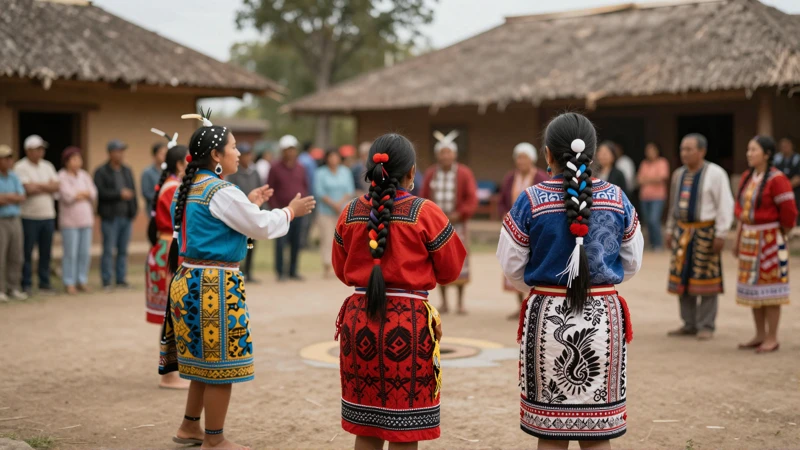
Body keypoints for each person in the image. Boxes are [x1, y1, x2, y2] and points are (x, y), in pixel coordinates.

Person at [160, 112, 315, 450]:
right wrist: (290, 211)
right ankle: (215, 441)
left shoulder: (193, 187)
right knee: (220, 367)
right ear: (216, 156)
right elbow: (259, 227)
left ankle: (190, 427)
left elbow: (225, 221)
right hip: (212, 286)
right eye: (232, 147)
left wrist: (251, 203)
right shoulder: (220, 190)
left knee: (203, 363)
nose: (238, 154)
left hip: (190, 281)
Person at [497, 112, 643, 448]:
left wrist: (542, 289)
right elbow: (633, 260)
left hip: (548, 318)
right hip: (603, 320)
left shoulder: (530, 200)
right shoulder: (617, 197)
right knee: (597, 433)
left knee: (551, 432)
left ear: (547, 153)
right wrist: (601, 283)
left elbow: (511, 265)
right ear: (592, 153)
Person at [332, 133, 466, 449]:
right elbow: (451, 270)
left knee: (367, 426)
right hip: (408, 327)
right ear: (411, 172)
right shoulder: (426, 213)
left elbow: (341, 270)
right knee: (404, 428)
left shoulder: (349, 212)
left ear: (369, 169)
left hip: (359, 323)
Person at [665, 133, 734, 341]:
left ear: (702, 151)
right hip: (682, 232)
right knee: (682, 278)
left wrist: (721, 233)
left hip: (706, 232)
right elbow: (673, 205)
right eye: (682, 149)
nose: (684, 153)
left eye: (689, 149)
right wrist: (670, 229)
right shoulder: (678, 175)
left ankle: (706, 324)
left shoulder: (716, 173)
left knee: (706, 279)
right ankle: (689, 323)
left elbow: (725, 204)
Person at [733, 136, 797, 354]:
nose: (749, 153)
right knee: (753, 289)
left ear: (767, 154)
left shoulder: (778, 179)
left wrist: (780, 234)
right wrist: (740, 237)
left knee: (770, 291)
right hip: (750, 239)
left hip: (769, 239)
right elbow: (741, 211)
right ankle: (760, 334)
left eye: (754, 150)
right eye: (748, 149)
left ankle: (772, 337)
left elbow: (789, 212)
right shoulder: (747, 177)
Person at [145, 129, 190, 389]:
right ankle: (169, 374)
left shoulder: (171, 186)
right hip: (168, 252)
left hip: (165, 250)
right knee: (171, 315)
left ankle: (173, 369)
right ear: (179, 164)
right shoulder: (174, 189)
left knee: (172, 314)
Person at [421, 131, 478, 314]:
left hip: (458, 224)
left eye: (449, 152)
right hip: (436, 226)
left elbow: (471, 198)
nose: (446, 156)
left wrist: (460, 214)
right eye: (442, 152)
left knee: (460, 260)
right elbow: (422, 197)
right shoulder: (431, 173)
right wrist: (431, 216)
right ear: (438, 155)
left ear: (454, 154)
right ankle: (444, 302)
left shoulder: (464, 173)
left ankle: (460, 302)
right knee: (439, 259)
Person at [499, 142, 549, 319]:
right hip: (515, 230)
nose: (521, 161)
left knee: (534, 264)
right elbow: (503, 200)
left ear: (532, 159)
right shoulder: (510, 178)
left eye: (524, 157)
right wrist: (504, 213)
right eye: (518, 157)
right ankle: (521, 306)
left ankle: (532, 305)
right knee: (517, 264)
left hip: (535, 229)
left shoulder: (541, 177)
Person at [14, 135, 60, 295]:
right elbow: (27, 189)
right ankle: (26, 283)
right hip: (29, 216)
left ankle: (44, 283)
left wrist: (38, 186)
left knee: (46, 252)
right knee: (27, 252)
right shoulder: (20, 167)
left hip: (48, 215)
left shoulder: (47, 166)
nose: (41, 152)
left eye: (42, 149)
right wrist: (46, 186)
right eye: (37, 149)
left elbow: (56, 186)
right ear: (28, 150)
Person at [94, 139, 137, 291]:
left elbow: (133, 191)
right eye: (117, 151)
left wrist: (134, 210)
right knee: (108, 249)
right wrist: (119, 194)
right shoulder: (101, 171)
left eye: (122, 151)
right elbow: (101, 193)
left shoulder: (127, 170)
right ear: (110, 153)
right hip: (110, 217)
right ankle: (106, 280)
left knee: (123, 250)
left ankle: (121, 279)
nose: (120, 154)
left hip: (126, 216)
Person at [267, 135, 309, 281]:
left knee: (297, 242)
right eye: (287, 149)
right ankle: (280, 272)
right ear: (282, 150)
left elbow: (305, 185)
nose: (290, 152)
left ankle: (293, 271)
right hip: (281, 212)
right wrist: (275, 209)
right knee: (280, 243)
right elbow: (270, 190)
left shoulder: (301, 168)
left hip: (298, 212)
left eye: (292, 149)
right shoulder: (275, 168)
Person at [58, 147, 97, 295]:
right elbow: (68, 196)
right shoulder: (61, 176)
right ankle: (69, 282)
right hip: (69, 222)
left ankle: (82, 280)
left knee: (84, 253)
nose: (77, 162)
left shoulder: (84, 175)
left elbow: (93, 193)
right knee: (70, 253)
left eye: (78, 158)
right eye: (73, 159)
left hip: (86, 220)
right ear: (67, 162)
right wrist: (82, 194)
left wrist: (80, 194)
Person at [314, 148, 355, 278]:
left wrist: (340, 203)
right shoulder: (320, 173)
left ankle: (342, 266)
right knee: (327, 239)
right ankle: (327, 266)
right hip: (326, 211)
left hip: (342, 212)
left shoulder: (345, 172)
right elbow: (319, 191)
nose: (333, 160)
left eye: (335, 157)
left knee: (343, 239)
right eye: (331, 157)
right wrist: (333, 204)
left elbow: (350, 189)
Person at [226, 142, 263, 283]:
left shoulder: (255, 172)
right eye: (244, 155)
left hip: (253, 213)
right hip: (240, 215)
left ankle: (249, 271)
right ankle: (239, 270)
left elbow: (260, 188)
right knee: (240, 243)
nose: (247, 158)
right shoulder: (234, 174)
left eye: (249, 154)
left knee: (251, 245)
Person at [0, 145, 27, 302]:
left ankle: (13, 287)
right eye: (6, 158)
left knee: (16, 254)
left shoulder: (14, 177)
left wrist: (6, 197)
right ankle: (1, 289)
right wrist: (12, 197)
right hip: (1, 220)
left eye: (11, 158)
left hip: (15, 219)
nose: (9, 161)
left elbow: (22, 197)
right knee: (1, 256)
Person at [637, 143, 670, 250]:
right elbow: (639, 179)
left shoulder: (662, 162)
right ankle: (652, 244)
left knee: (654, 219)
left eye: (652, 150)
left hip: (658, 197)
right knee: (648, 221)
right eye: (648, 150)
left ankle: (658, 244)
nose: (650, 152)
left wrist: (647, 180)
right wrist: (652, 179)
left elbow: (662, 178)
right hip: (645, 197)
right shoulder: (644, 163)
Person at [774, 137, 800, 224]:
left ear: (792, 146)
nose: (784, 148)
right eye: (782, 146)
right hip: (779, 191)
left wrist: (786, 187)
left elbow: (798, 177)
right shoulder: (777, 159)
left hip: (795, 191)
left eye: (787, 145)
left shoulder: (797, 159)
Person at [141, 141, 168, 212]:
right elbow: (146, 193)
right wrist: (162, 197)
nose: (164, 156)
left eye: (166, 154)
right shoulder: (147, 172)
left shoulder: (169, 172)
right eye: (161, 153)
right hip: (154, 209)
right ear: (155, 155)